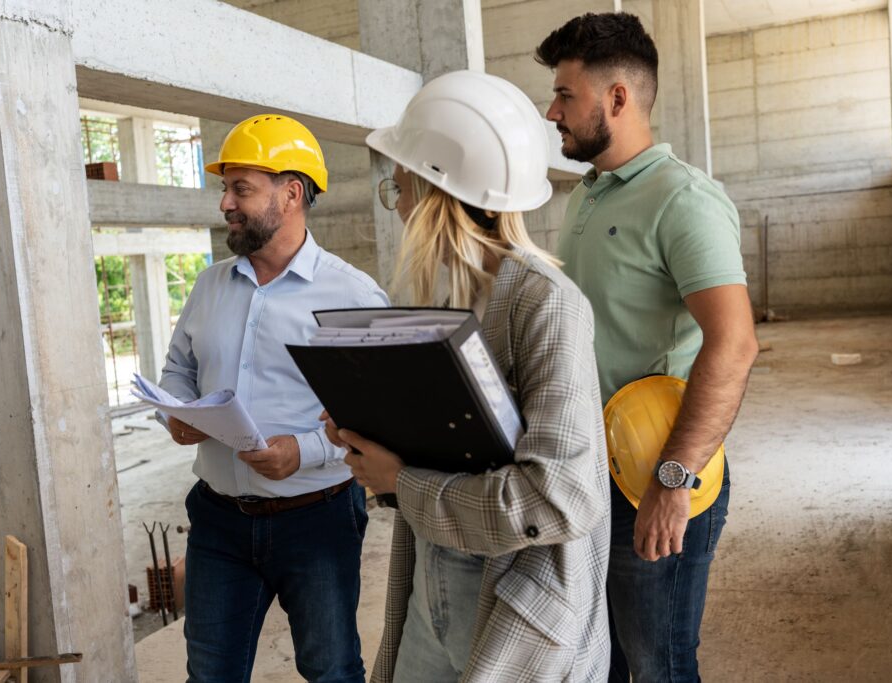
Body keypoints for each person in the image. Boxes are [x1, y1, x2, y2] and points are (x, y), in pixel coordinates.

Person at [322, 70, 611, 682]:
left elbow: (559, 499)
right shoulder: (444, 300)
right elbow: (454, 444)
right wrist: (370, 430)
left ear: (434, 192)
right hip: (433, 582)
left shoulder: (546, 305)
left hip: (515, 604)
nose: (396, 204)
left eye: (398, 186)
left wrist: (402, 481)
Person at [536, 12, 759, 682]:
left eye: (565, 95)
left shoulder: (683, 200)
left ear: (618, 98)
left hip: (657, 477)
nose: (552, 111)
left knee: (659, 660)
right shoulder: (587, 197)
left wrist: (674, 479)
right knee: (601, 658)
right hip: (593, 473)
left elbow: (735, 342)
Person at [158, 113, 388, 683]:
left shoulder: (352, 296)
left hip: (318, 521)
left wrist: (304, 452)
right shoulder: (210, 285)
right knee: (210, 674)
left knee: (331, 669)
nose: (225, 204)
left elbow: (380, 419)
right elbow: (177, 369)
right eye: (225, 188)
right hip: (217, 521)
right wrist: (178, 411)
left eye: (241, 189)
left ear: (290, 194)